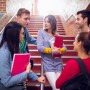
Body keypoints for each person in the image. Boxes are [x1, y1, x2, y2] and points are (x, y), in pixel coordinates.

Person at [0, 21, 45, 90]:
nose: (23, 36)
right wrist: (26, 73)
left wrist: (36, 78)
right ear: (15, 35)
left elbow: (23, 66)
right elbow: (6, 82)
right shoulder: (4, 52)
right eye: (22, 33)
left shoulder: (15, 47)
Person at [37, 15, 67, 90]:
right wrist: (51, 51)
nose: (46, 23)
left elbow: (65, 48)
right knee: (56, 88)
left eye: (48, 22)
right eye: (45, 21)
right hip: (48, 64)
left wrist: (59, 50)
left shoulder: (57, 35)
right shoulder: (41, 32)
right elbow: (39, 47)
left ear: (53, 23)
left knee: (60, 87)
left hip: (58, 63)